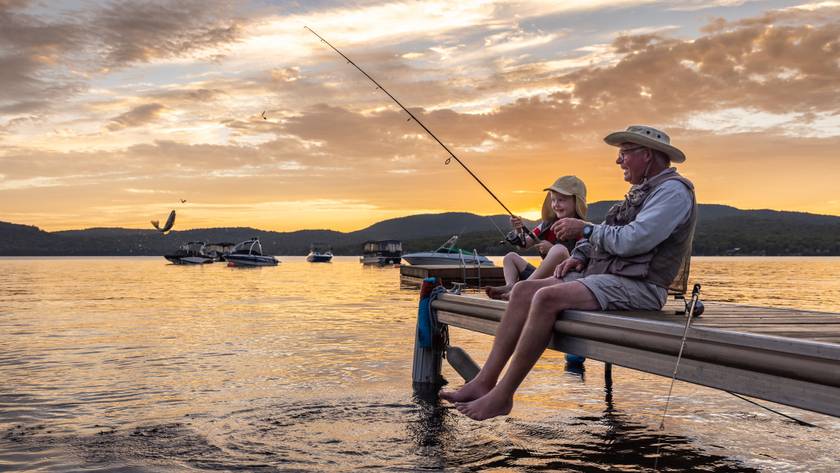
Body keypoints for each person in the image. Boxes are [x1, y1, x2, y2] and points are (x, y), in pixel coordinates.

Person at [440, 125, 697, 421]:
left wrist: (586, 229)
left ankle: (503, 395)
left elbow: (634, 239)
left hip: (642, 287)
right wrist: (579, 256)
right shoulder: (643, 191)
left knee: (547, 297)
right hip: (611, 278)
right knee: (523, 291)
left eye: (624, 153)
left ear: (647, 155)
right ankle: (484, 381)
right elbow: (612, 236)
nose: (619, 161)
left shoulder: (673, 192)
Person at [486, 176, 588, 301]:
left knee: (559, 250)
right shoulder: (546, 225)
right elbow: (524, 245)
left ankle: (520, 289)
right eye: (553, 200)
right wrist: (519, 229)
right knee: (510, 257)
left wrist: (551, 249)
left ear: (576, 202)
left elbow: (581, 262)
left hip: (565, 278)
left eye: (561, 200)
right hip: (541, 277)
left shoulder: (582, 228)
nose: (556, 205)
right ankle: (511, 286)